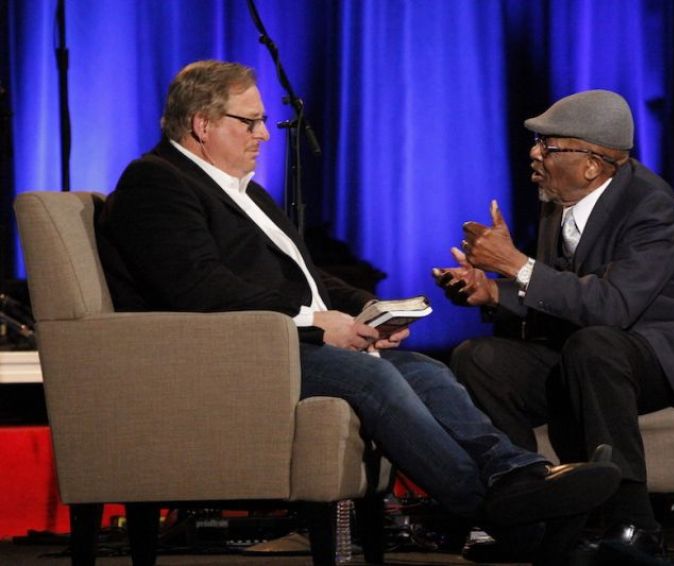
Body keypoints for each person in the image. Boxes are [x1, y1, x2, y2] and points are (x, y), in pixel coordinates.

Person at [95, 60, 623, 556]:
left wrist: (370, 309)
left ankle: (519, 476)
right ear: (202, 124)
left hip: (280, 341)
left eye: (262, 122)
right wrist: (316, 323)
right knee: (374, 377)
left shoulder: (243, 191)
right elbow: (201, 290)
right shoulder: (155, 183)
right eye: (250, 122)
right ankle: (489, 505)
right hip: (232, 354)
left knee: (425, 371)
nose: (264, 134)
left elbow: (308, 276)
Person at [435, 89, 674, 559]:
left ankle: (635, 526)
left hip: (665, 353)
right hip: (591, 352)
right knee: (479, 358)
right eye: (537, 143)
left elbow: (613, 306)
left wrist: (517, 264)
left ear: (592, 165)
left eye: (548, 146)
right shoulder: (557, 200)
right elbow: (566, 295)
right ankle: (530, 513)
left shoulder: (649, 203)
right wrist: (494, 293)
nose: (534, 154)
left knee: (595, 345)